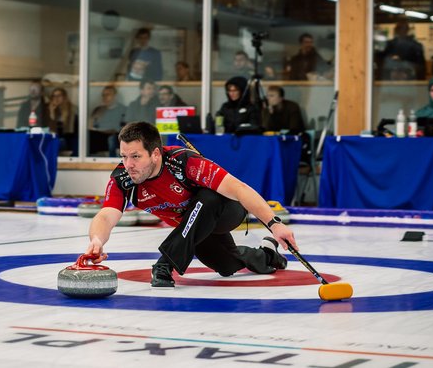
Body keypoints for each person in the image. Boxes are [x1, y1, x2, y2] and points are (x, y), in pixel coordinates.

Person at [84, 121, 297, 288]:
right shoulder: (124, 178)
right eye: (124, 156)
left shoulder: (183, 162)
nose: (128, 164)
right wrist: (96, 240)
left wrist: (274, 223)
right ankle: (267, 253)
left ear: (155, 154)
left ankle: (165, 264)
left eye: (136, 156)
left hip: (225, 210)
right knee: (226, 266)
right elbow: (106, 215)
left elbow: (240, 189)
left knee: (208, 198)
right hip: (193, 228)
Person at [89, 85, 126, 157]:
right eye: (103, 95)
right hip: (98, 136)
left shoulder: (123, 109)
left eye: (108, 95)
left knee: (112, 139)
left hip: (114, 136)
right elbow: (90, 126)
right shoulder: (98, 110)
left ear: (115, 96)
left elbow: (124, 128)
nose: (105, 97)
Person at [47, 87, 78, 155]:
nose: (56, 98)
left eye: (59, 95)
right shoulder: (51, 109)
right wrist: (52, 113)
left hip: (69, 138)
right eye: (54, 96)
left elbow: (70, 130)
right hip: (56, 137)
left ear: (64, 97)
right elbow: (50, 130)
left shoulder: (72, 109)